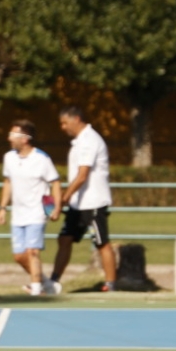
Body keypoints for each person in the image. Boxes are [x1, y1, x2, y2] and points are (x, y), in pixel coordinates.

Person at [50, 106, 117, 292]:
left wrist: (63, 197)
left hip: (93, 202)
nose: (63, 127)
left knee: (101, 242)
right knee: (64, 239)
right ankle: (53, 281)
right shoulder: (79, 142)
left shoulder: (90, 140)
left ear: (76, 119)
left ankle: (110, 283)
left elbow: (82, 175)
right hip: (77, 203)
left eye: (65, 123)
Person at [0, 119, 64, 296]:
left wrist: (54, 208)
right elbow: (8, 182)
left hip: (37, 213)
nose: (9, 138)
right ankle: (46, 283)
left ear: (25, 138)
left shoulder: (41, 159)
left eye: (13, 135)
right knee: (19, 256)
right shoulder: (9, 157)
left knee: (32, 252)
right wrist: (2, 208)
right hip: (18, 214)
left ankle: (35, 291)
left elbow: (54, 183)